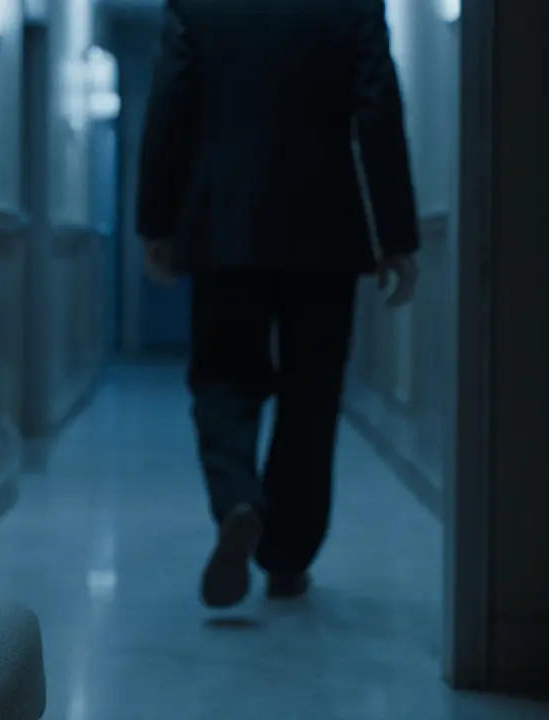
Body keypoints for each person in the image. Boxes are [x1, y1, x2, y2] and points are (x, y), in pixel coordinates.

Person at [136, 0, 420, 609]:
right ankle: (288, 559)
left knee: (222, 376)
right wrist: (396, 236)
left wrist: (156, 221)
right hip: (325, 225)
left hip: (223, 221)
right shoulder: (354, 8)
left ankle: (238, 498)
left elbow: (170, 104)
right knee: (311, 395)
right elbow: (378, 110)